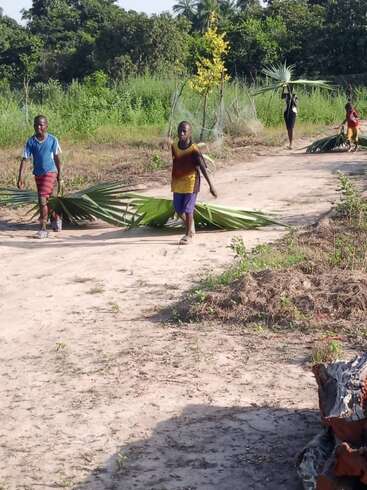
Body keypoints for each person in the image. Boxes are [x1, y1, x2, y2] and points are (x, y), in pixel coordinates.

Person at [171, 121, 217, 245]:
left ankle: (188, 235)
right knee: (178, 209)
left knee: (188, 209)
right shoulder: (174, 147)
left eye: (184, 131)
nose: (181, 133)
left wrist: (211, 185)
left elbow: (202, 167)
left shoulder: (194, 149)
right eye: (179, 130)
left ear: (190, 133)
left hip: (192, 182)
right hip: (178, 183)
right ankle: (190, 226)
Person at [17, 115, 62, 239]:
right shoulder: (31, 142)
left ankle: (43, 229)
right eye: (36, 124)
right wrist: (20, 177)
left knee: (42, 200)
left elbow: (57, 159)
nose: (38, 127)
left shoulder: (53, 140)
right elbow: (24, 159)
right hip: (38, 174)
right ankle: (55, 218)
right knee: (48, 200)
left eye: (41, 125)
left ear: (46, 126)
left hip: (50, 172)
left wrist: (60, 176)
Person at [282, 84, 298, 149]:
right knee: (288, 128)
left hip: (292, 112)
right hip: (286, 112)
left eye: (290, 88)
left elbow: (295, 104)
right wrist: (283, 88)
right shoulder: (286, 95)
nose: (290, 89)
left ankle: (291, 143)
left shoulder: (295, 96)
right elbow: (282, 96)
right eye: (288, 88)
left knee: (291, 128)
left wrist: (292, 97)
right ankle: (290, 143)